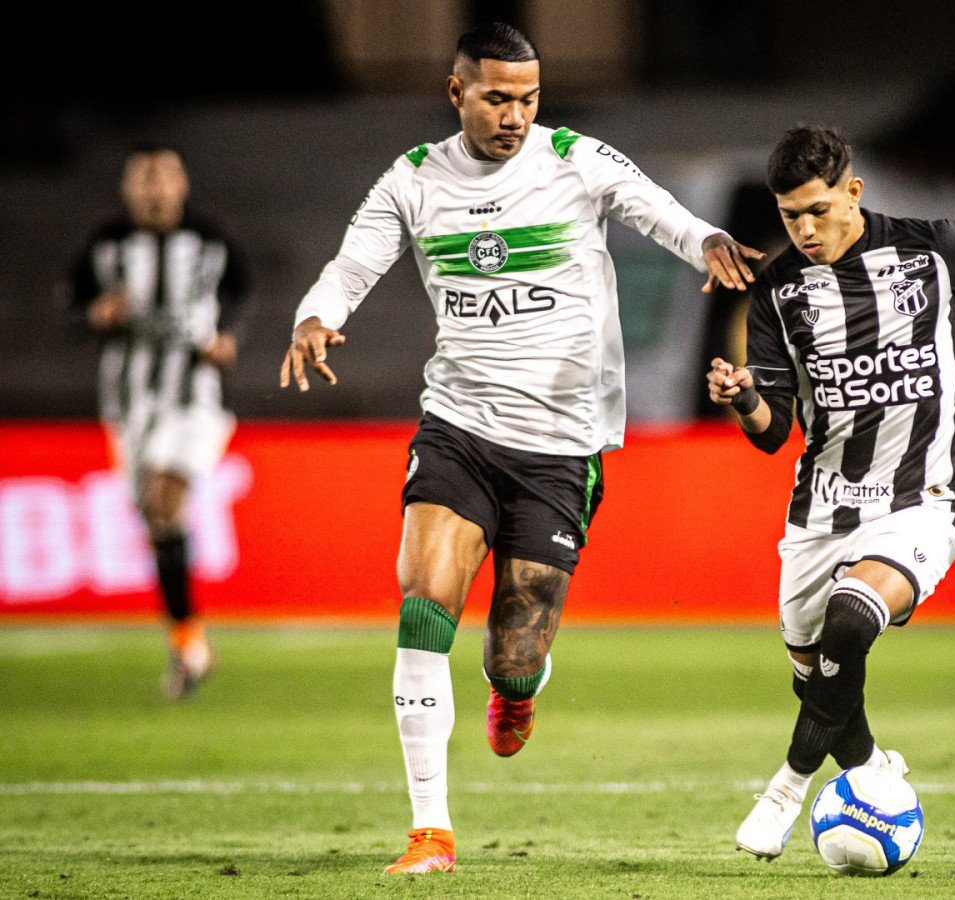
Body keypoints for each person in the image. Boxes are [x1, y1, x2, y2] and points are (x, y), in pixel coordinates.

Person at [279, 23, 762, 875]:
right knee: (424, 599)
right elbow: (352, 265)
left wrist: (707, 242)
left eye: (528, 98)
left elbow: (659, 209)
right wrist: (317, 316)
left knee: (514, 652)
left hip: (560, 449)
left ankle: (519, 689)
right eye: (497, 96)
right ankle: (430, 832)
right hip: (459, 428)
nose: (515, 114)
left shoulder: (574, 157)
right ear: (456, 92)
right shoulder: (415, 180)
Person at [706, 125, 955, 860]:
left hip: (923, 499)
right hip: (820, 514)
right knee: (825, 683)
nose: (806, 230)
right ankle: (872, 773)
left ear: (854, 191)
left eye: (819, 210)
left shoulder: (931, 250)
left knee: (850, 627)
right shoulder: (778, 293)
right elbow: (771, 430)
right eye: (791, 216)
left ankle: (786, 786)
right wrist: (745, 397)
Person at [66, 145, 250, 700]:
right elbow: (69, 305)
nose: (152, 188)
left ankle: (187, 639)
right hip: (129, 406)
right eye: (142, 178)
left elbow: (242, 293)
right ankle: (189, 641)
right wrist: (94, 316)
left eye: (161, 177)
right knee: (157, 519)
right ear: (128, 188)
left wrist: (229, 338)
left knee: (165, 496)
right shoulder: (105, 244)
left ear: (181, 183)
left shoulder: (212, 240)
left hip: (195, 397)